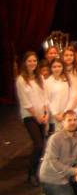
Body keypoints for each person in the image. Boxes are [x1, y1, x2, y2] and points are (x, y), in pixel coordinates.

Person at [17, 52, 48, 186]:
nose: (32, 63)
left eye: (34, 61)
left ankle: (38, 172)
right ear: (25, 62)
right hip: (30, 116)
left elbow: (45, 97)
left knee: (42, 146)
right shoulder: (21, 80)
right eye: (29, 61)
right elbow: (26, 102)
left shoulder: (39, 77)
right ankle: (31, 174)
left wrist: (45, 113)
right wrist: (37, 116)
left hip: (42, 115)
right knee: (38, 144)